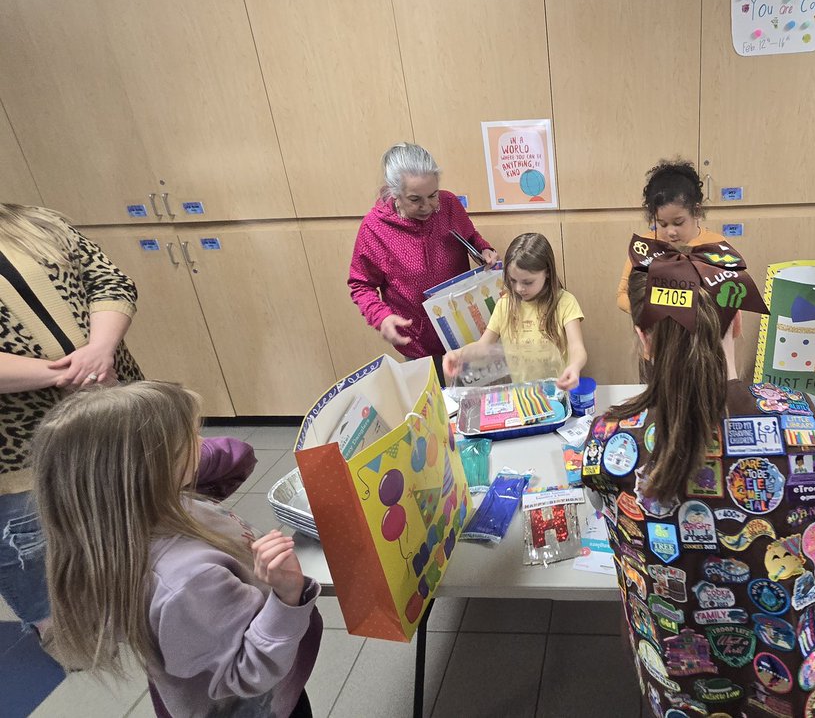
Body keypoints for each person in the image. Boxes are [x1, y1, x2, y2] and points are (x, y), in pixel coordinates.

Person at [582, 236, 815, 718]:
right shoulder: (812, 417)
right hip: (806, 685)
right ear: (737, 321)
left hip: (678, 689)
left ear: (642, 337)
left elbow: (613, 519)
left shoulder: (609, 438)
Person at [32, 381, 322, 718]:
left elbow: (236, 457)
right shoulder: (184, 581)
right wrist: (288, 597)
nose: (202, 444)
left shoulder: (141, 512)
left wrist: (176, 446)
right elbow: (246, 674)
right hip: (258, 704)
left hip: (244, 670)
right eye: (189, 440)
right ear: (151, 471)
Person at [0, 203, 143, 637]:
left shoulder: (36, 220)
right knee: (29, 543)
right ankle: (57, 630)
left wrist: (100, 350)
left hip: (110, 403)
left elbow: (109, 281)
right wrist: (66, 374)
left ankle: (137, 600)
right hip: (22, 444)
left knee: (129, 502)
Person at [349, 143, 498, 365]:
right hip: (419, 343)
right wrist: (382, 318)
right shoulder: (375, 228)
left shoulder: (448, 204)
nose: (427, 206)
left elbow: (470, 237)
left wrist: (484, 249)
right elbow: (361, 284)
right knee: (434, 397)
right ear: (395, 193)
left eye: (432, 195)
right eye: (415, 199)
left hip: (466, 329)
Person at [444, 233, 586, 389]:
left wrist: (575, 366)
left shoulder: (565, 302)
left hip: (558, 392)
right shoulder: (505, 305)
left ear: (547, 272)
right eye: (512, 280)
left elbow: (576, 347)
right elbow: (483, 347)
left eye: (528, 282)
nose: (519, 288)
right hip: (522, 393)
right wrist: (458, 355)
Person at [616, 159, 731, 314]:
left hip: (703, 333)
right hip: (658, 333)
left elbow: (730, 296)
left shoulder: (716, 245)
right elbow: (622, 295)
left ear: (696, 211)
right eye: (662, 224)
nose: (670, 232)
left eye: (678, 222)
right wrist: (652, 311)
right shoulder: (644, 247)